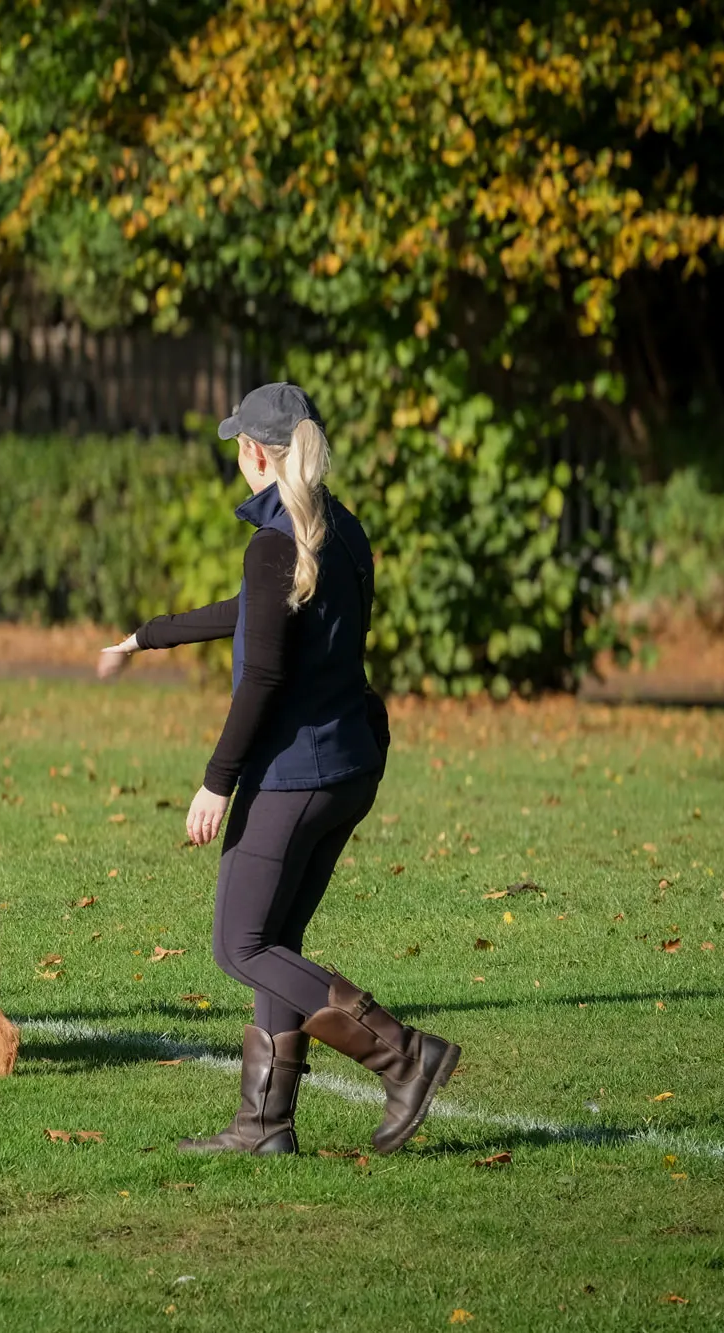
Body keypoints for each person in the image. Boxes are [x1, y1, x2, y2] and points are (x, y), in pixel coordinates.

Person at [99, 382, 459, 1156]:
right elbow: (253, 612)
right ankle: (264, 1124)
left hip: (297, 772)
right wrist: (148, 635)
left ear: (256, 454)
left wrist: (215, 781)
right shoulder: (340, 528)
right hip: (351, 765)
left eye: (238, 444)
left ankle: (405, 1054)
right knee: (276, 940)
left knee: (240, 944)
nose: (236, 454)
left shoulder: (274, 542)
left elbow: (261, 674)